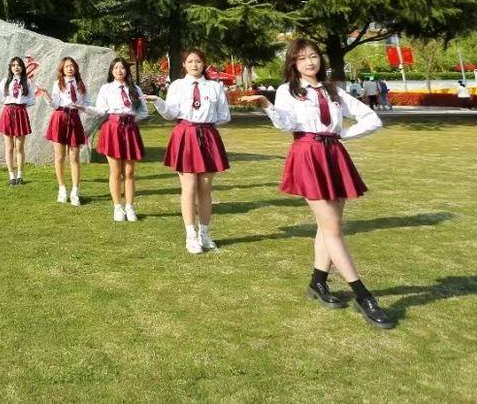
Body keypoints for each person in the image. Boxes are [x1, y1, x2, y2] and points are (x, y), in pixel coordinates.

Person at [240, 37, 393, 329]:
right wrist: (267, 105)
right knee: (333, 230)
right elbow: (286, 124)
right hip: (308, 155)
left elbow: (372, 118)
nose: (310, 62)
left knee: (329, 227)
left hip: (334, 155)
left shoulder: (334, 90)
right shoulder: (288, 91)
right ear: (293, 64)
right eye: (301, 58)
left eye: (313, 56)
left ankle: (317, 283)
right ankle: (364, 296)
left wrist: (341, 136)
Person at [145, 48, 231, 254]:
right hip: (185, 135)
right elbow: (171, 113)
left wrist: (206, 125)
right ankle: (190, 235)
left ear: (204, 64)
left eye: (198, 61)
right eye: (190, 61)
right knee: (189, 186)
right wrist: (158, 102)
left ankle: (204, 232)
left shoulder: (215, 87)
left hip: (208, 136)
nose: (194, 65)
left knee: (205, 187)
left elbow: (224, 115)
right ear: (184, 65)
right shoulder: (177, 86)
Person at [92, 57, 150, 221]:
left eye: (122, 68)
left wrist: (130, 121)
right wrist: (84, 108)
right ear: (112, 71)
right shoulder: (106, 88)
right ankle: (117, 207)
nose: (119, 71)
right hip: (112, 129)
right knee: (115, 171)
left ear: (127, 71)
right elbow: (100, 110)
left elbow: (144, 112)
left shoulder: (135, 89)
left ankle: (130, 207)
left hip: (129, 129)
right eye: (116, 68)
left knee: (129, 171)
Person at [43, 57, 100, 206]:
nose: (69, 68)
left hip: (74, 119)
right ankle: (62, 189)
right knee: (59, 157)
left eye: (72, 66)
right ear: (62, 69)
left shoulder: (80, 84)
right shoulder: (58, 84)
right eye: (67, 66)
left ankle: (75, 191)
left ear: (76, 68)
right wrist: (47, 96)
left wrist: (85, 108)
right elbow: (55, 103)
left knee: (74, 157)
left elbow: (87, 103)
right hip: (60, 117)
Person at [0, 57, 35, 186]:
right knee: (9, 147)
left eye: (18, 65)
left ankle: (20, 175)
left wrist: (22, 106)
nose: (16, 67)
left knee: (20, 147)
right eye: (13, 65)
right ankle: (11, 175)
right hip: (8, 111)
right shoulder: (5, 81)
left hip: (20, 112)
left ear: (23, 67)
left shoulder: (27, 82)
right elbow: (0, 97)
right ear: (10, 68)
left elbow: (31, 99)